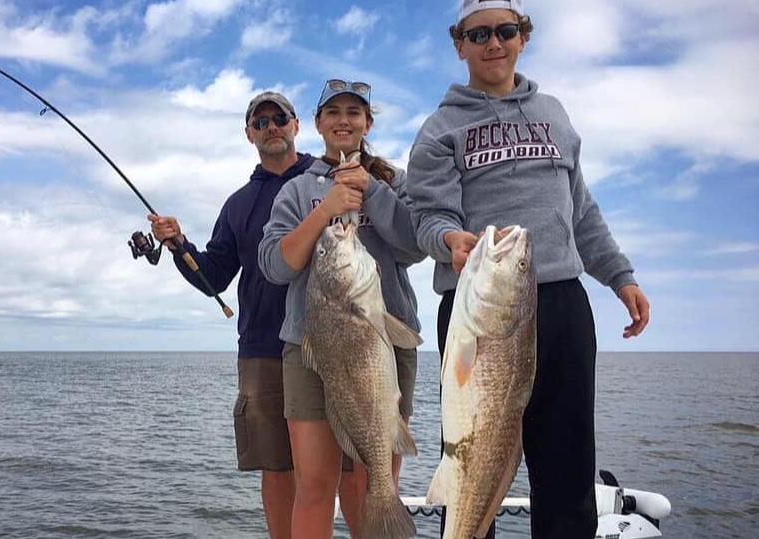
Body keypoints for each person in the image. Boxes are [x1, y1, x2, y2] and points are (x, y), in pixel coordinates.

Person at [405, 1, 652, 538]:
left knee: (565, 468)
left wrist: (620, 276)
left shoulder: (555, 113)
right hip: (477, 310)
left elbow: (580, 209)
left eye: (506, 31)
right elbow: (426, 213)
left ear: (523, 37)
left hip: (561, 304)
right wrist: (449, 238)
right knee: (473, 458)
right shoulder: (440, 128)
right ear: (459, 44)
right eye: (479, 34)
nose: (493, 42)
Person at [258, 79, 424, 539]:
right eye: (333, 112)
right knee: (314, 483)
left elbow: (415, 245)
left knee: (376, 479)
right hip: (312, 349)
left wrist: (372, 191)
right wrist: (325, 208)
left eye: (354, 112)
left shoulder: (393, 182)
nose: (343, 120)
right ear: (316, 124)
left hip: (384, 345)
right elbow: (275, 265)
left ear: (367, 123)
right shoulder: (294, 191)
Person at [148, 91, 314, 539]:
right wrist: (179, 245)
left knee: (350, 465)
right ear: (248, 135)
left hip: (331, 343)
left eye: (279, 118)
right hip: (264, 349)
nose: (271, 127)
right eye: (260, 123)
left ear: (296, 125)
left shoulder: (328, 180)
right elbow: (214, 277)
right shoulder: (239, 204)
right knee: (277, 468)